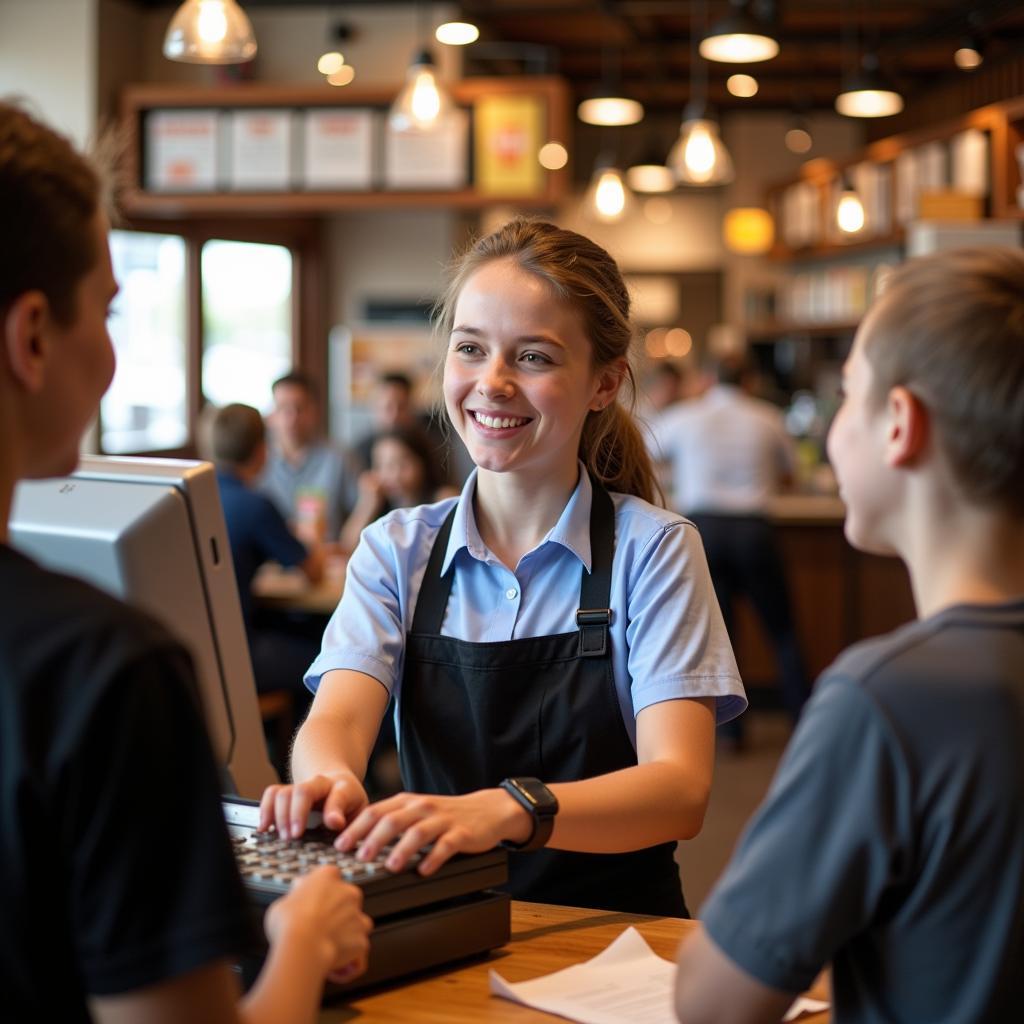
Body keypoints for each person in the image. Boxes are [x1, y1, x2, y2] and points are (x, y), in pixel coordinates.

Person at [0, 101, 372, 1023]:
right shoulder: (102, 675)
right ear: (34, 336)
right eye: (109, 313)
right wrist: (303, 940)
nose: (114, 360)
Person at [261, 218, 746, 918]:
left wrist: (506, 811)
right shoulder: (396, 550)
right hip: (441, 926)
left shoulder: (654, 550)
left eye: (534, 358)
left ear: (604, 383)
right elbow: (336, 718)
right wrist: (327, 779)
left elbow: (679, 789)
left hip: (616, 937)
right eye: (470, 349)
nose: (492, 383)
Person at [675, 248, 1024, 1023]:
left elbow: (712, 1002)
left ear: (899, 424)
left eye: (847, 397)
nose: (834, 430)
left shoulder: (888, 701)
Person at [650, 353, 809, 747]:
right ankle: (804, 723)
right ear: (750, 381)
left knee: (722, 632)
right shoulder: (768, 417)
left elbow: (645, 449)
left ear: (707, 379)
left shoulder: (686, 416)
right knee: (782, 631)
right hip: (753, 528)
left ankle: (732, 733)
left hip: (704, 529)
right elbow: (793, 474)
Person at [211, 402, 324, 708]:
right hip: (239, 654)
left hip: (200, 651)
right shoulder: (254, 504)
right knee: (329, 661)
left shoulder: (197, 497)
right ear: (262, 450)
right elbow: (311, 571)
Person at [260, 371, 358, 543]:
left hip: (325, 560)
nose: (292, 418)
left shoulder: (339, 458)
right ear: (271, 414)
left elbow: (359, 511)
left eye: (300, 408)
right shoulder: (257, 459)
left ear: (315, 411)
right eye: (283, 408)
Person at [340, 425, 454, 551]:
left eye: (402, 464)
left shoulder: (443, 499)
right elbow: (347, 548)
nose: (394, 475)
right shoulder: (379, 504)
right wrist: (367, 505)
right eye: (383, 466)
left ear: (423, 463)